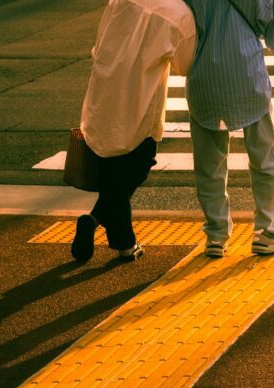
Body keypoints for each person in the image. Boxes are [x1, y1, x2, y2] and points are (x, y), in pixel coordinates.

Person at [71, 0, 197, 262]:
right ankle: (109, 231)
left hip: (105, 95)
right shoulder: (180, 16)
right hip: (141, 103)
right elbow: (184, 65)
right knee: (136, 166)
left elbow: (100, 42)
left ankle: (111, 233)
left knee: (111, 171)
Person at [184, 0, 274, 258]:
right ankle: (266, 232)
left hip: (203, 76)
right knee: (264, 156)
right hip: (245, 71)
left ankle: (216, 234)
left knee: (208, 164)